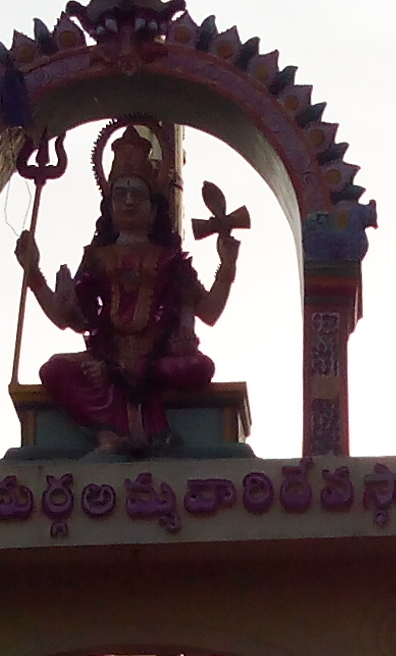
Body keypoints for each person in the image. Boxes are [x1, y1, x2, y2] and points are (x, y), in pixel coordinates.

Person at [15, 124, 237, 453]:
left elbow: (209, 311)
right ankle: (111, 432)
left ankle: (129, 425)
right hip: (105, 360)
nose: (129, 202)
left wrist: (227, 267)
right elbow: (71, 319)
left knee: (199, 367)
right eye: (121, 194)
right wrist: (34, 274)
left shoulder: (170, 260)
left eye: (138, 194)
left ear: (154, 209)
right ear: (110, 206)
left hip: (158, 361)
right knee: (54, 369)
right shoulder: (97, 258)